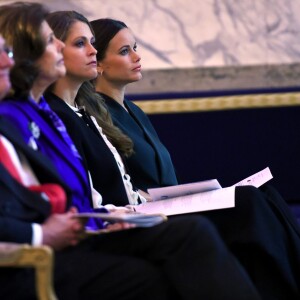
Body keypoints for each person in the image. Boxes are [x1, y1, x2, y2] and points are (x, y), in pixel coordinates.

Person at [0, 3, 264, 300]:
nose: (65, 48)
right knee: (185, 245)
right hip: (64, 243)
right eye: (55, 41)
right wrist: (95, 220)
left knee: (243, 206)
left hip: (95, 224)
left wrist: (108, 215)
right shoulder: (20, 116)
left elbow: (76, 193)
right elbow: (40, 201)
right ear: (27, 55)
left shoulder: (52, 112)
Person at [72, 18, 300, 300]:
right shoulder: (95, 116)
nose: (136, 57)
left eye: (135, 48)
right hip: (154, 213)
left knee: (264, 193)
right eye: (124, 51)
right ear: (101, 65)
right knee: (247, 203)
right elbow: (116, 183)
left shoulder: (134, 110)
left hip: (175, 203)